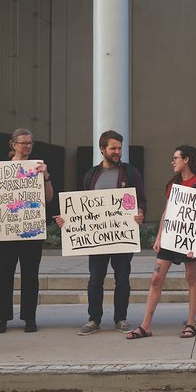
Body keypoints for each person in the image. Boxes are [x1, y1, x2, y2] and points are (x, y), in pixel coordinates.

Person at [59, 130, 143, 336]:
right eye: (113, 148)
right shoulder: (91, 175)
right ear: (102, 149)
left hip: (122, 237)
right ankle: (94, 319)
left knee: (122, 279)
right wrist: (67, 220)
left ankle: (120, 319)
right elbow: (83, 207)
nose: (117, 152)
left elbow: (141, 199)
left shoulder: (131, 173)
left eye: (119, 148)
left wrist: (140, 212)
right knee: (95, 279)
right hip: (97, 240)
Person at [126, 145, 196, 340]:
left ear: (186, 160)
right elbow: (167, 211)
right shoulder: (173, 184)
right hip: (170, 236)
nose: (173, 162)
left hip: (188, 237)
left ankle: (190, 323)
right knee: (156, 279)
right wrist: (159, 236)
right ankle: (146, 325)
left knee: (191, 278)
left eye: (176, 158)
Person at [0, 128, 53, 333]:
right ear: (14, 145)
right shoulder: (0, 169)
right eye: (24, 143)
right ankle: (2, 318)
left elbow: (48, 198)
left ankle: (29, 317)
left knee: (30, 276)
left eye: (31, 143)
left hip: (30, 230)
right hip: (6, 232)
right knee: (4, 276)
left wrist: (46, 176)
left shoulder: (38, 168)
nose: (28, 146)